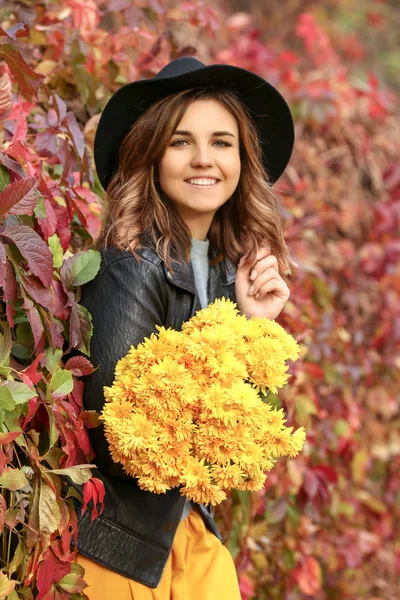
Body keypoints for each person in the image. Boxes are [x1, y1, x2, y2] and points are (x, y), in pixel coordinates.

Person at [75, 56, 295, 599]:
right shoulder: (131, 265)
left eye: (222, 142)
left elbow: (232, 434)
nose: (204, 159)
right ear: (151, 153)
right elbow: (122, 436)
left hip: (183, 534)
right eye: (180, 142)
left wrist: (252, 326)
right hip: (119, 550)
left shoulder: (224, 267)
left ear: (242, 158)